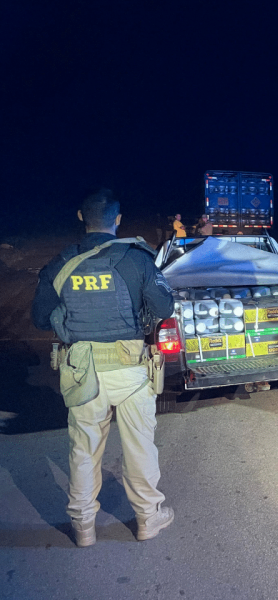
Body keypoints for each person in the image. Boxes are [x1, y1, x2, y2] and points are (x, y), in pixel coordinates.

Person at [31, 189, 176, 546]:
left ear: (81, 218)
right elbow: (164, 307)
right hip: (130, 369)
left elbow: (38, 317)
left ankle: (83, 527)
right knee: (139, 446)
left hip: (82, 370)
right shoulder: (137, 259)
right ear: (119, 219)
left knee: (83, 449)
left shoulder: (61, 263)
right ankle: (147, 518)